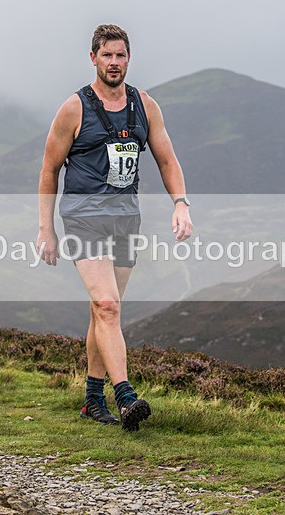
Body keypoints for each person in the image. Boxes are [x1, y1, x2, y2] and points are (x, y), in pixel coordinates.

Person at [37, 24, 193, 431]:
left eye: (120, 55)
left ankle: (92, 398)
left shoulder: (145, 106)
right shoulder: (74, 108)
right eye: (106, 55)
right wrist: (46, 228)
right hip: (83, 216)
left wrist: (180, 204)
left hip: (126, 218)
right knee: (108, 306)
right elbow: (50, 169)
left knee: (103, 309)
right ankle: (125, 396)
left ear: (129, 58)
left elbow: (167, 159)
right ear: (93, 58)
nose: (114, 62)